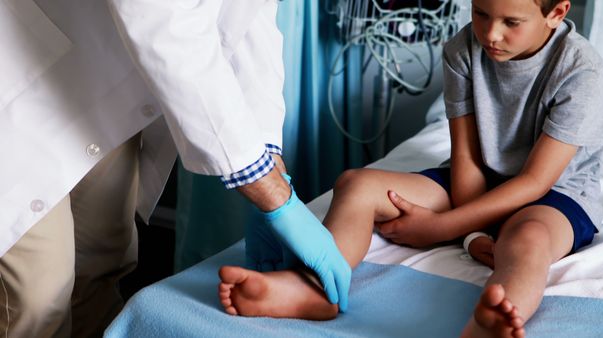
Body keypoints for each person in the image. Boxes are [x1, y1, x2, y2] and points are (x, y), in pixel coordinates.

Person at [217, 0, 603, 336]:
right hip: (475, 179)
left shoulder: (582, 73)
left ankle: (492, 320)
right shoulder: (464, 49)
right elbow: (466, 156)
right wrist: (471, 232)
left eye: (511, 22)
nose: (491, 34)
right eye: (480, 13)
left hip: (552, 193)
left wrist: (443, 227)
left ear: (557, 13)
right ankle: (316, 290)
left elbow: (534, 181)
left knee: (526, 241)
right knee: (356, 184)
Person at [0, 0, 349, 337]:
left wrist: (272, 161)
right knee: (40, 296)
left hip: (101, 85)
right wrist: (273, 196)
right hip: (22, 68)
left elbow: (250, 19)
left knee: (102, 260)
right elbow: (160, 20)